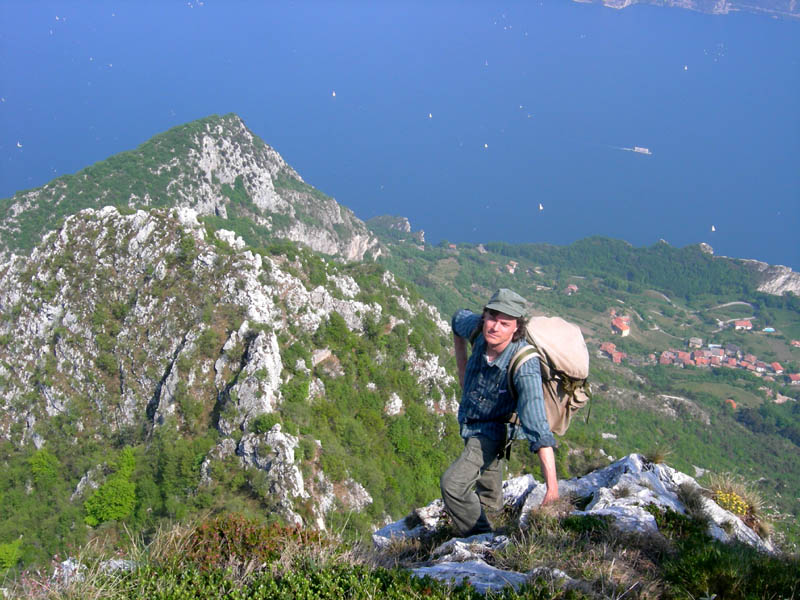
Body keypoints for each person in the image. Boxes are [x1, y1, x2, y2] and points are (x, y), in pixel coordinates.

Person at [441, 288, 558, 537]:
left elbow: (539, 430)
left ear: (516, 328)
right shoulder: (478, 329)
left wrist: (552, 488)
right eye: (492, 318)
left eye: (505, 324)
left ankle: (480, 537)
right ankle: (493, 514)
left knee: (453, 485)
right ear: (484, 316)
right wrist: (462, 369)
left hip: (491, 431)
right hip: (471, 421)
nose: (495, 327)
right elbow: (456, 319)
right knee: (488, 483)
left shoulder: (524, 366)